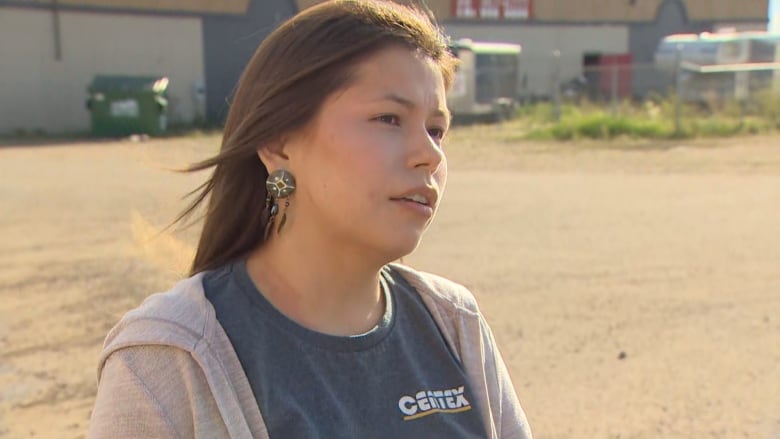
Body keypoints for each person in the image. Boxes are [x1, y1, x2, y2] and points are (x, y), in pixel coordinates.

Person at [88, 0, 532, 437]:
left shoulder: (454, 323)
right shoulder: (168, 358)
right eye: (389, 118)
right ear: (280, 145)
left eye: (437, 129)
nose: (429, 155)